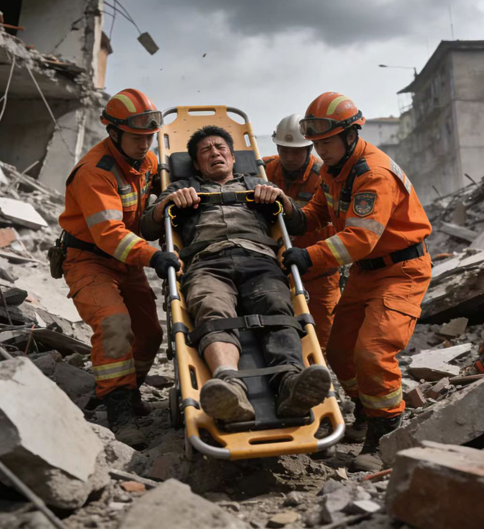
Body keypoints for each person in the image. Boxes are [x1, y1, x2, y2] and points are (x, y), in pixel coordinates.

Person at [140, 125, 331, 424]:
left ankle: (290, 383)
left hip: (259, 259)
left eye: (221, 148)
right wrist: (166, 204)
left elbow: (297, 224)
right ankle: (230, 387)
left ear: (232, 157)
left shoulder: (257, 183)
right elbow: (149, 227)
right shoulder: (182, 187)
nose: (215, 153)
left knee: (277, 307)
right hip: (207, 262)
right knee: (211, 308)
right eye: (206, 150)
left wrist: (281, 199)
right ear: (196, 163)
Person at [282, 92, 432, 471]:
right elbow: (317, 212)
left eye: (327, 142)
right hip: (367, 271)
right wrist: (286, 210)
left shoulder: (373, 174)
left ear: (351, 135)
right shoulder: (334, 170)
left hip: (401, 271)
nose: (320, 151)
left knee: (372, 352)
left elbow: (360, 238)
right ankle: (367, 410)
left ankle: (384, 435)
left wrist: (308, 255)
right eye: (316, 144)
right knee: (339, 351)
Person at [59, 89, 180, 449]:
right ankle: (119, 409)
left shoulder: (147, 162)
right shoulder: (94, 172)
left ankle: (128, 390)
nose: (145, 144)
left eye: (150, 137)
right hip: (89, 260)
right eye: (136, 137)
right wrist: (153, 256)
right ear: (113, 133)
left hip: (125, 259)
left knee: (150, 334)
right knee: (114, 324)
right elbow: (109, 233)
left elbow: (158, 193)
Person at [263, 114, 340, 351]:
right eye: (284, 150)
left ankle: (322, 372)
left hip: (318, 272)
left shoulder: (326, 176)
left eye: (295, 152)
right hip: (276, 271)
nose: (289, 157)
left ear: (309, 148)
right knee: (279, 333)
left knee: (323, 337)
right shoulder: (263, 170)